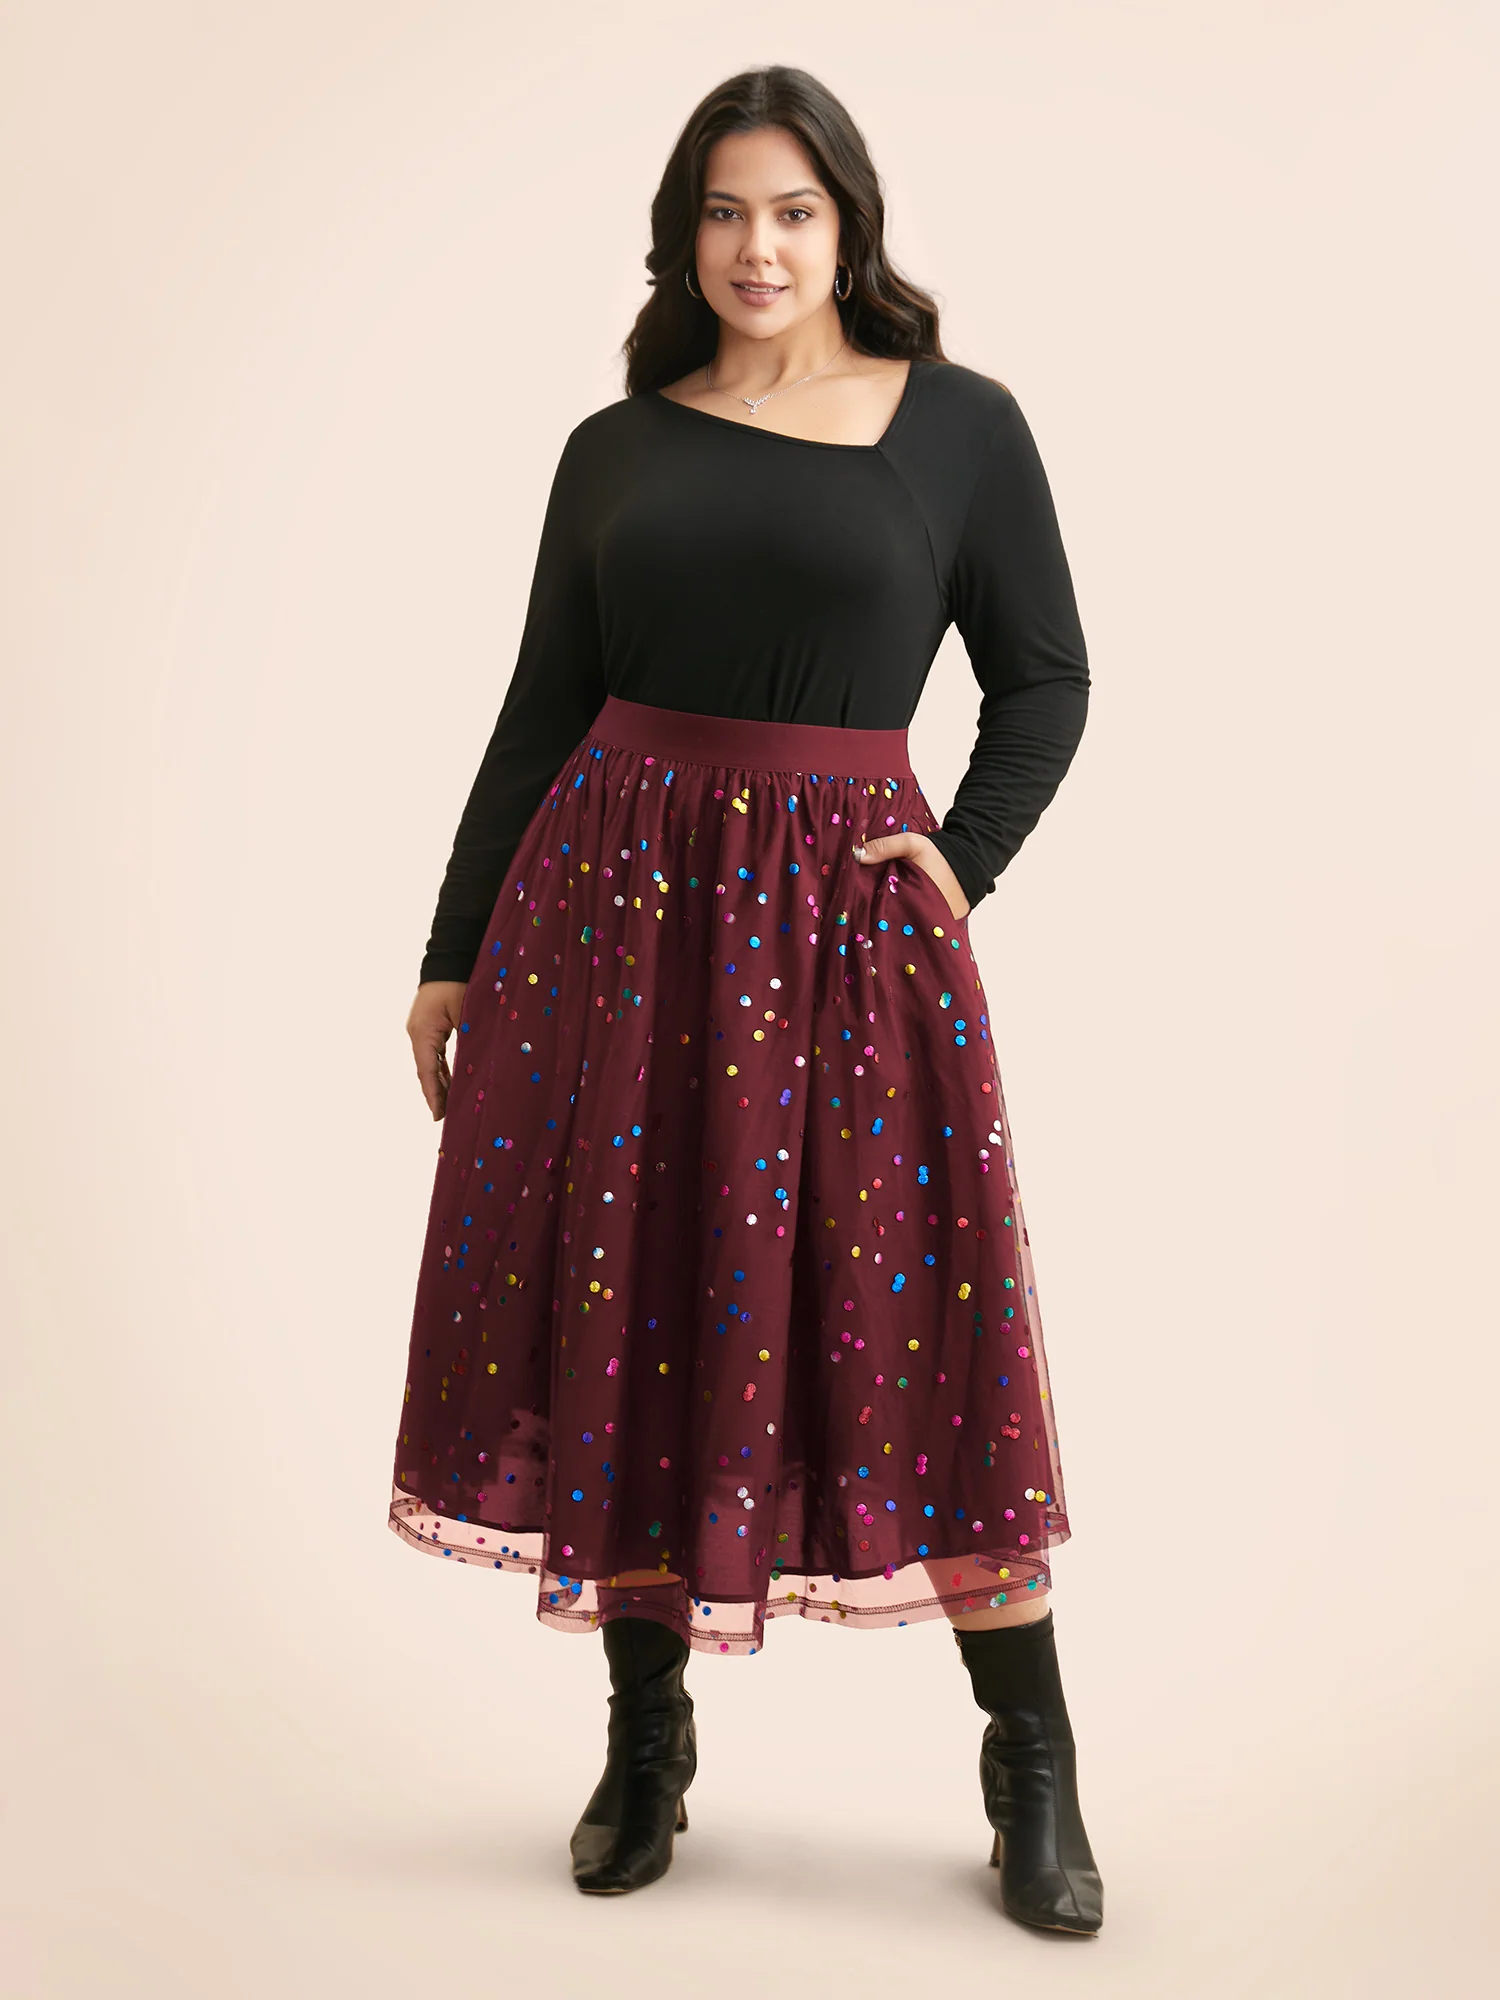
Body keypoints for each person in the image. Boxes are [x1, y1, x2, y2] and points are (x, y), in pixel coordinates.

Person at [389, 65, 1103, 1933]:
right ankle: (647, 1743)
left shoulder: (960, 426)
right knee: (627, 1299)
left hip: (845, 941)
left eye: (791, 209)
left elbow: (1046, 676)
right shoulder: (616, 447)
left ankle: (1031, 1761)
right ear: (681, 236)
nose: (757, 247)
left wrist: (963, 855)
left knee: (915, 1319)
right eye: (723, 212)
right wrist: (455, 949)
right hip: (610, 929)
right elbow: (541, 710)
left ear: (847, 223)